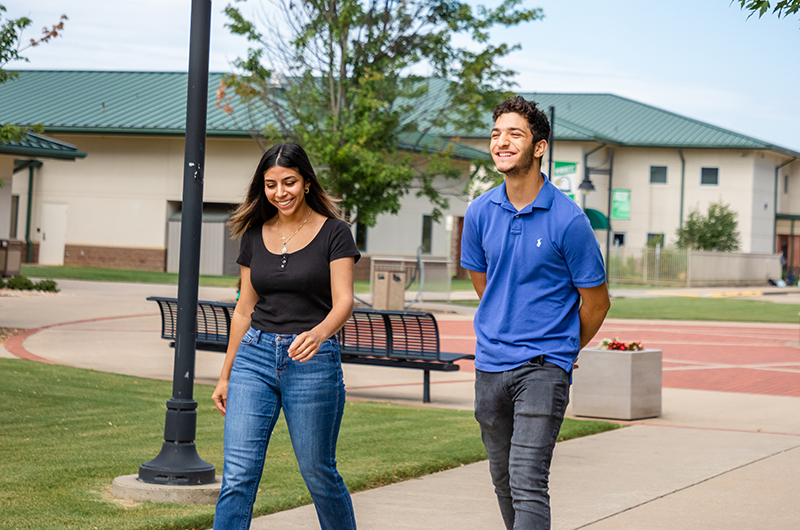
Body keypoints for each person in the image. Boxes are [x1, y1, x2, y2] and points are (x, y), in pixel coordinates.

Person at [460, 96, 610, 529]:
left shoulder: (569, 220)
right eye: (495, 134)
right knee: (503, 480)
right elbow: (483, 282)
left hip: (542, 368)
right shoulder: (479, 212)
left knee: (527, 480)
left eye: (514, 134)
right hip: (490, 366)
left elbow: (596, 302)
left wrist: (562, 347)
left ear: (539, 147)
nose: (501, 142)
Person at [212, 142, 360, 530]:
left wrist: (320, 333)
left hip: (311, 362)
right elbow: (244, 309)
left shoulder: (335, 233)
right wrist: (226, 374)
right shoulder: (255, 234)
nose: (281, 193)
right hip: (254, 358)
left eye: (289, 182)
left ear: (307, 182)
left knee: (318, 472)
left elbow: (344, 301)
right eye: (271, 185)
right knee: (238, 476)